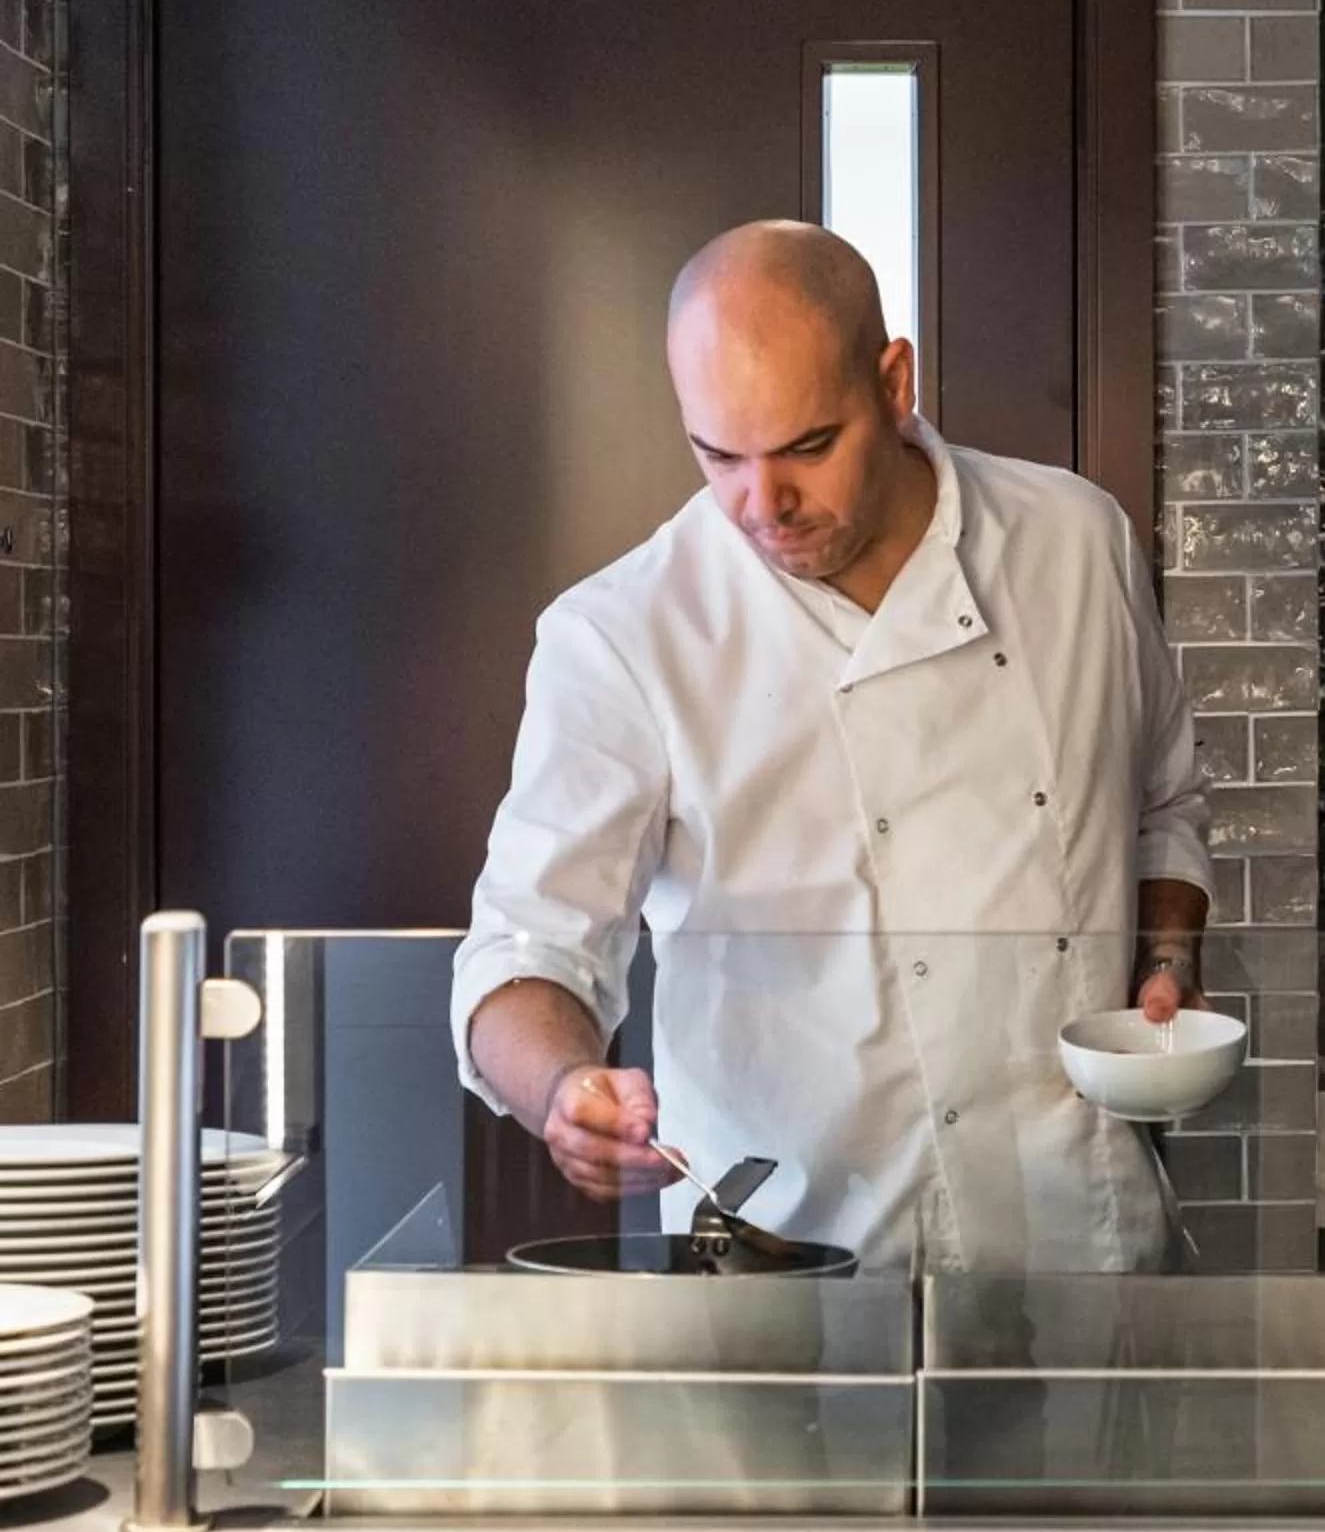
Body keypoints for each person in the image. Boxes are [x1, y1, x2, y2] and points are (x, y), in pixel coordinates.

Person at [449, 221, 1212, 1273]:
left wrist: (1168, 961)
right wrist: (563, 1091)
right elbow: (520, 952)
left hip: (1084, 1246)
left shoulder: (1077, 544)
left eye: (808, 446)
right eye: (719, 455)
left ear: (895, 381)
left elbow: (1164, 803)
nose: (764, 505)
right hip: (784, 1275)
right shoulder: (624, 634)